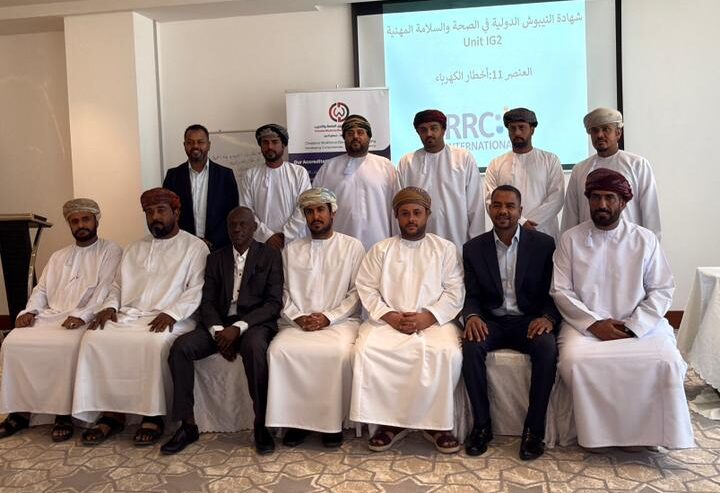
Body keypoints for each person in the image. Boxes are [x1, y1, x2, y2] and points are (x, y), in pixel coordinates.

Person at [551, 168, 693, 450]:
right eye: (595, 197)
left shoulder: (644, 239)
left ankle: (647, 435)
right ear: (588, 200)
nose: (602, 204)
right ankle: (597, 436)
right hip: (585, 327)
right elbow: (561, 290)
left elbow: (662, 288)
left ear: (624, 202)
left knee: (666, 361)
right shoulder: (570, 239)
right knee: (574, 361)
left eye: (609, 198)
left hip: (639, 326)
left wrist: (635, 325)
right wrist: (594, 324)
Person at [72, 188, 208, 446]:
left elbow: (197, 289)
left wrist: (172, 313)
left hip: (174, 317)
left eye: (161, 211)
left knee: (152, 342)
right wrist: (110, 307)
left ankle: (152, 416)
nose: (155, 217)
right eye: (149, 212)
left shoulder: (195, 247)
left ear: (176, 212)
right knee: (94, 338)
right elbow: (117, 285)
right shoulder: (134, 248)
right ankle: (111, 414)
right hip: (130, 315)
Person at [350, 187, 464, 454]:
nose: (411, 219)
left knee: (446, 353)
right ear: (396, 216)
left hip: (434, 322)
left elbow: (455, 290)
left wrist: (428, 317)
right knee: (367, 351)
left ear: (428, 215)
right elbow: (366, 287)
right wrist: (390, 316)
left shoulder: (445, 249)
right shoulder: (381, 249)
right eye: (405, 214)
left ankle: (437, 425)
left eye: (417, 213)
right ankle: (389, 424)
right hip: (388, 321)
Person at [161, 206, 283, 455]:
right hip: (219, 323)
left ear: (254, 227)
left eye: (243, 224)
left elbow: (273, 304)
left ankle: (261, 425)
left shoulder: (270, 256)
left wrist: (238, 328)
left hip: (253, 324)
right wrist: (218, 332)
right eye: (232, 225)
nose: (237, 229)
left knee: (255, 348)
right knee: (181, 348)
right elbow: (207, 302)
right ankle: (187, 425)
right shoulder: (215, 258)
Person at [0, 199, 122, 442]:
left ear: (96, 220)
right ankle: (20, 411)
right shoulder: (59, 256)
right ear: (69, 225)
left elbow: (106, 290)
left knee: (65, 345)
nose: (81, 225)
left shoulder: (111, 250)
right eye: (75, 221)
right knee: (13, 342)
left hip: (84, 318)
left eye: (85, 219)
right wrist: (29, 311)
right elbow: (42, 290)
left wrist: (82, 316)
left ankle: (63, 414)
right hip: (51, 316)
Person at [462, 185, 560, 460]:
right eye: (497, 205)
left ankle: (534, 432)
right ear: (489, 208)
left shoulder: (544, 245)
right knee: (471, 346)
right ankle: (482, 427)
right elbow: (471, 295)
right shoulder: (473, 248)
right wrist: (472, 316)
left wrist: (547, 318)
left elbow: (555, 291)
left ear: (520, 210)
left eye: (510, 206)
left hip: (528, 321)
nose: (503, 211)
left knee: (547, 348)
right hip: (492, 321)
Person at [265, 188, 365, 448]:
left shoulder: (352, 246)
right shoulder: (291, 250)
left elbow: (356, 293)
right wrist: (298, 317)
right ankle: (297, 422)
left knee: (336, 353)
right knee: (280, 351)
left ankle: (331, 424)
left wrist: (328, 318)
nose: (315, 216)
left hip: (340, 322)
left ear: (332, 213)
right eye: (309, 212)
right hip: (297, 323)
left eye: (321, 210)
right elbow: (283, 292)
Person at [561, 108, 661, 239]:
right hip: (587, 244)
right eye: (595, 130)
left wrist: (651, 245)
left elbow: (650, 213)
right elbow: (570, 215)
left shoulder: (637, 164)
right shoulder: (580, 169)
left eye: (606, 129)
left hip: (629, 243)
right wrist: (566, 243)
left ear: (618, 133)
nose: (599, 135)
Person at [397, 109, 485, 249]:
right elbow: (400, 207)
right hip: (417, 244)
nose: (429, 133)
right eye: (423, 130)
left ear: (443, 130)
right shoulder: (407, 162)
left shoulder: (463, 158)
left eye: (434, 128)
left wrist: (477, 246)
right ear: (418, 132)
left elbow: (475, 206)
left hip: (457, 240)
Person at [313, 115, 398, 250]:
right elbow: (316, 206)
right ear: (344, 138)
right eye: (350, 133)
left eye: (360, 132)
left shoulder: (385, 166)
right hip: (339, 246)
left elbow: (396, 208)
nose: (355, 136)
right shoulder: (329, 167)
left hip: (379, 244)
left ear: (369, 137)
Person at [484, 108, 565, 240]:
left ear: (532, 130)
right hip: (508, 234)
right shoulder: (496, 164)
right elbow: (491, 200)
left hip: (543, 232)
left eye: (521, 127)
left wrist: (530, 224)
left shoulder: (550, 160)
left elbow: (556, 198)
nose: (517, 132)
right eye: (512, 128)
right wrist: (521, 222)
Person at [163, 123, 239, 250]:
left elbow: (232, 213)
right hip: (183, 248)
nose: (195, 146)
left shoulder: (225, 175)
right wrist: (191, 242)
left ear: (208, 145)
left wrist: (211, 242)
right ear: (184, 145)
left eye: (200, 142)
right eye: (190, 142)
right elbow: (169, 213)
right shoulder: (173, 176)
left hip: (218, 248)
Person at [238, 124, 310, 250]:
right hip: (262, 244)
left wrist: (285, 235)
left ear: (283, 145)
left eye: (275, 142)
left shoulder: (299, 173)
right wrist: (267, 236)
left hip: (295, 244)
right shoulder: (250, 175)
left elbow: (304, 207)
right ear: (261, 146)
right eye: (265, 142)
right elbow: (246, 212)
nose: (270, 146)